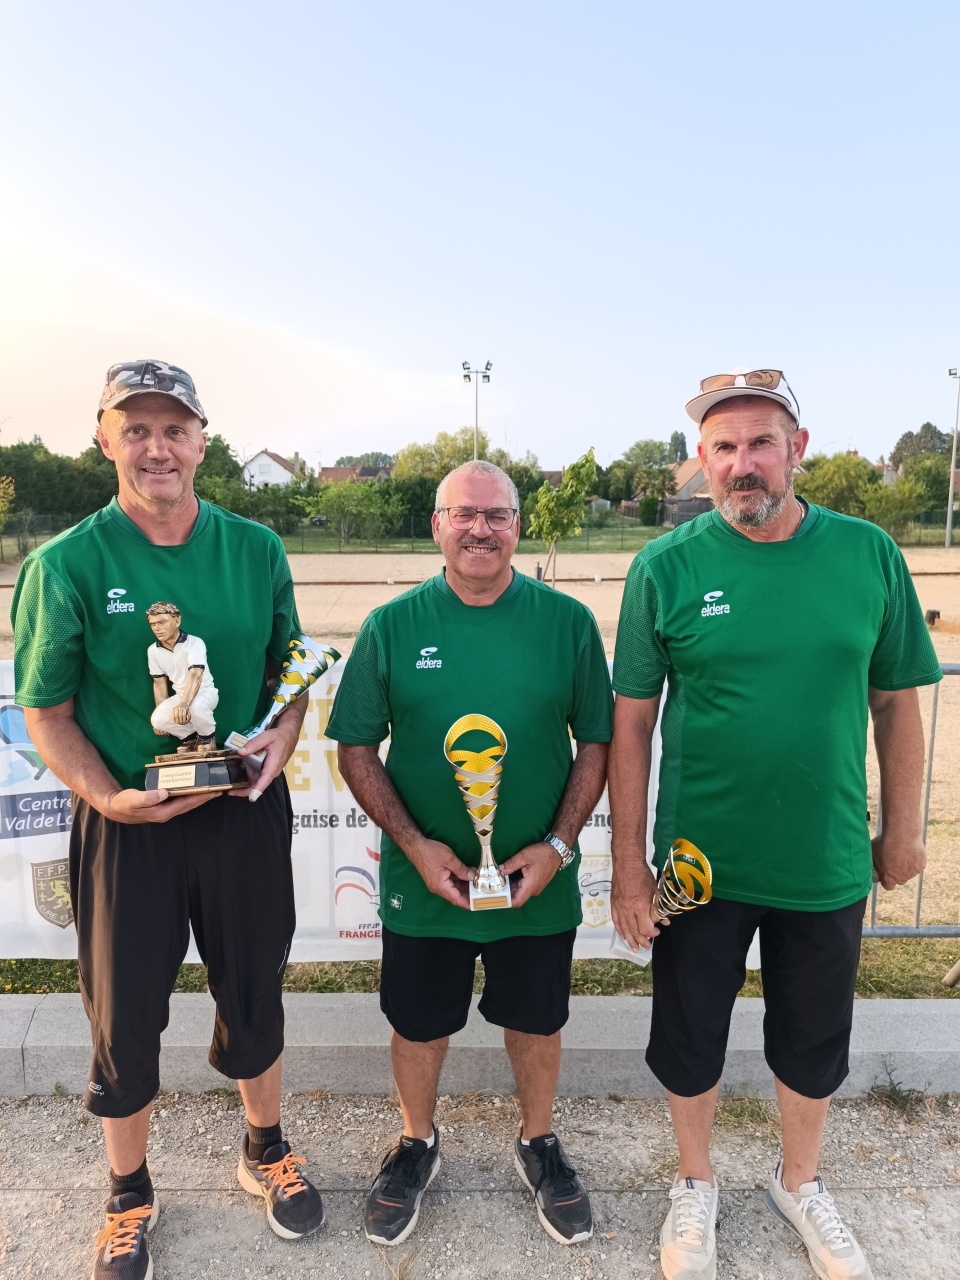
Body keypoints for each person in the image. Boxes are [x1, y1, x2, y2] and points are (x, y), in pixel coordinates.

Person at [609, 368, 942, 1280]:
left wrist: (905, 830)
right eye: (724, 448)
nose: (743, 463)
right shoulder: (664, 568)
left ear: (798, 448)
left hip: (824, 855)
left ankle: (801, 1183)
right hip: (696, 863)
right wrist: (630, 869)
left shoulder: (868, 553)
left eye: (760, 442)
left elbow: (897, 701)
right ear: (701, 463)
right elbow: (631, 723)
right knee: (688, 1038)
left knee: (812, 1037)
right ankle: (695, 1184)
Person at [11, 359, 326, 1280]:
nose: (157, 446)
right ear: (104, 437)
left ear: (201, 440)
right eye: (136, 427)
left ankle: (264, 1147)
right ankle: (128, 1193)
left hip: (238, 813)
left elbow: (288, 671)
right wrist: (107, 796)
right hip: (127, 822)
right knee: (124, 1013)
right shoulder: (65, 563)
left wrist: (283, 735)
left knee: (255, 988)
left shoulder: (256, 548)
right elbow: (47, 711)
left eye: (174, 427)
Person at [327, 459, 612, 1248]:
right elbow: (354, 748)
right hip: (428, 885)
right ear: (438, 525)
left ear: (518, 527)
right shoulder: (392, 626)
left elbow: (596, 742)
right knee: (418, 1024)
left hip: (535, 882)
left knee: (538, 1019)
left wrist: (558, 846)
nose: (481, 529)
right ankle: (417, 1141)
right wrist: (415, 846)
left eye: (498, 515)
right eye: (465, 514)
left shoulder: (567, 624)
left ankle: (539, 1142)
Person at [145, 601, 219, 745]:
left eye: (162, 622)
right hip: (180, 696)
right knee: (157, 720)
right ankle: (190, 739)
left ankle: (207, 739)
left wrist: (184, 704)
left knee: (196, 708)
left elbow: (195, 675)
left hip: (205, 692)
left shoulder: (194, 643)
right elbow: (159, 683)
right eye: (153, 624)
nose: (157, 628)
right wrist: (161, 713)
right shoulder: (153, 651)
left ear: (177, 621)